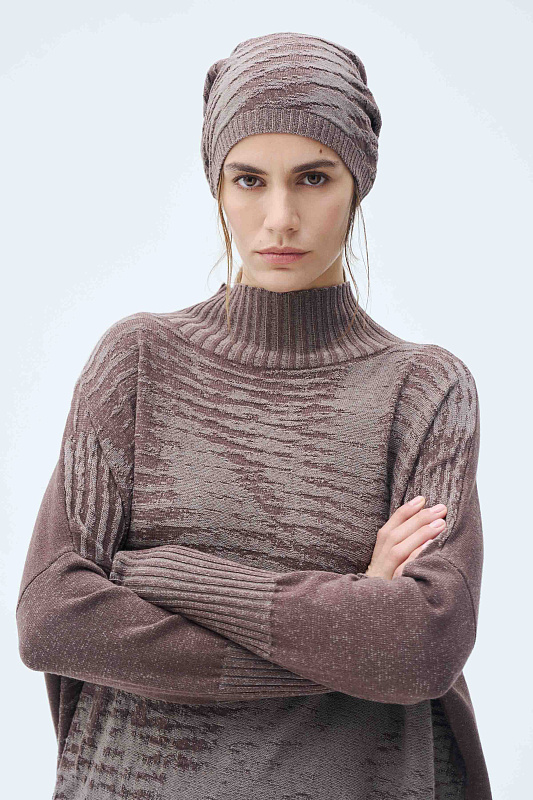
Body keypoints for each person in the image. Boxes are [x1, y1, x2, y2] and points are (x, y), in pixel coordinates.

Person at [16, 31, 492, 799]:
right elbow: (53, 619)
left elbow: (417, 648)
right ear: (217, 185)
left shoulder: (422, 389)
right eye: (248, 180)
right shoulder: (138, 360)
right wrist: (346, 618)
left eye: (312, 177)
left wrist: (167, 573)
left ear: (357, 184)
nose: (279, 218)